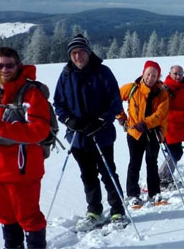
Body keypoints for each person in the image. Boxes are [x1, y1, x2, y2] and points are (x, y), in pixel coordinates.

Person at [53, 34, 127, 232]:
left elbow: (115, 101)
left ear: (88, 52)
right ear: (70, 55)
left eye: (81, 52)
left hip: (101, 135)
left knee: (108, 173)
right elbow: (58, 103)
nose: (78, 56)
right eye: (74, 53)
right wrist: (69, 120)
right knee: (88, 176)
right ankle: (94, 211)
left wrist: (102, 120)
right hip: (78, 137)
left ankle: (118, 210)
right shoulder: (66, 74)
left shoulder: (103, 72)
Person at [0, 47, 48, 248]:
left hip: (24, 170)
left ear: (18, 66)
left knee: (29, 217)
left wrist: (0, 128)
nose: (4, 69)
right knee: (5, 216)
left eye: (9, 65)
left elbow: (39, 131)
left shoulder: (31, 95)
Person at [116, 60, 169, 206]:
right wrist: (122, 118)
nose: (150, 78)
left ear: (158, 77)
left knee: (152, 163)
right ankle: (133, 194)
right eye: (148, 74)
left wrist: (146, 123)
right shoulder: (132, 88)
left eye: (154, 75)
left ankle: (155, 193)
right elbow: (115, 99)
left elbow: (161, 113)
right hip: (134, 133)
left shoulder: (162, 93)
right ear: (143, 73)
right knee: (135, 163)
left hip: (153, 133)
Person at [158, 65, 184, 189]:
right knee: (174, 153)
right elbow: (166, 113)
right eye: (176, 74)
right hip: (170, 129)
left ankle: (165, 177)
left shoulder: (182, 88)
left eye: (180, 74)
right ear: (170, 73)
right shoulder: (166, 89)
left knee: (175, 153)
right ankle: (162, 177)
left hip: (179, 128)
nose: (178, 76)